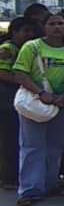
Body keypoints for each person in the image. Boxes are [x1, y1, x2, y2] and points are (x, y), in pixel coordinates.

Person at [12, 12, 64, 206]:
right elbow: (20, 74)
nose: (57, 27)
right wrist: (41, 93)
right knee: (32, 147)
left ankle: (50, 184)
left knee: (56, 146)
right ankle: (29, 190)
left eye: (60, 23)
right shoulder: (32, 47)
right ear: (44, 27)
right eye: (52, 23)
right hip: (35, 102)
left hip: (61, 104)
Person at [0, 17, 38, 189]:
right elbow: (2, 73)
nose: (29, 34)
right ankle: (9, 178)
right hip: (7, 100)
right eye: (25, 31)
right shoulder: (8, 49)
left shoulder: (26, 48)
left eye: (32, 31)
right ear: (14, 32)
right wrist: (24, 82)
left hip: (17, 99)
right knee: (10, 139)